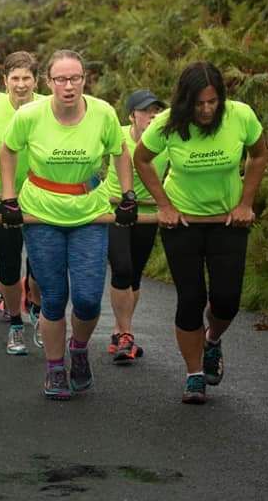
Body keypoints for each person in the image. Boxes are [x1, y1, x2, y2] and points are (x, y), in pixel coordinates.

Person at [0, 49, 135, 400]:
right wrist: (9, 197)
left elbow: (120, 150)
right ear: (49, 82)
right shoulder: (30, 114)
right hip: (41, 212)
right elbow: (8, 150)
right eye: (61, 79)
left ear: (85, 80)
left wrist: (128, 193)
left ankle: (79, 348)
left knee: (89, 299)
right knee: (55, 297)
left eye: (75, 78)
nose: (68, 86)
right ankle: (55, 367)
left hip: (89, 211)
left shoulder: (102, 112)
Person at [134, 61, 268, 405]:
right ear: (186, 102)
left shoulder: (240, 116)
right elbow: (143, 160)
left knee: (227, 301)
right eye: (199, 103)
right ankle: (194, 375)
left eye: (212, 102)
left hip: (227, 221)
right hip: (183, 223)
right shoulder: (167, 124)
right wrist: (163, 205)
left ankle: (212, 341)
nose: (207, 109)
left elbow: (258, 155)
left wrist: (245, 203)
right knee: (191, 298)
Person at [0, 51, 44, 354]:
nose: (20, 84)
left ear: (36, 80)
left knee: (40, 266)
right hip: (2, 198)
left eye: (26, 78)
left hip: (41, 197)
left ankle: (39, 314)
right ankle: (16, 323)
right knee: (10, 265)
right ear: (4, 81)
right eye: (14, 78)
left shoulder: (47, 106)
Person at [103, 89, 168, 362]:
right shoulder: (116, 135)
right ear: (132, 115)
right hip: (115, 209)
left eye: (156, 111)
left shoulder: (166, 140)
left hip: (149, 211)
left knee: (135, 275)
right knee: (122, 268)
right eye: (145, 111)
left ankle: (121, 333)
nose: (152, 116)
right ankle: (126, 333)